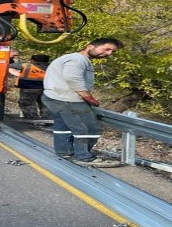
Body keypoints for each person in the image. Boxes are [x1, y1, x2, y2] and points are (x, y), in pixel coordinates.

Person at [41, 38, 124, 168]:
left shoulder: (75, 59)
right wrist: (89, 98)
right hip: (69, 100)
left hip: (56, 98)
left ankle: (65, 152)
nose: (109, 53)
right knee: (90, 128)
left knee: (64, 127)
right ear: (90, 46)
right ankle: (84, 157)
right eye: (107, 49)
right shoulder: (78, 59)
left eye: (112, 51)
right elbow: (73, 78)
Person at [8, 54, 50, 119]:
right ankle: (47, 118)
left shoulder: (26, 65)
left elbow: (9, 65)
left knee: (27, 103)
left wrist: (18, 73)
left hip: (29, 88)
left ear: (33, 60)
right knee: (45, 104)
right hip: (47, 89)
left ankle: (32, 118)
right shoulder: (51, 67)